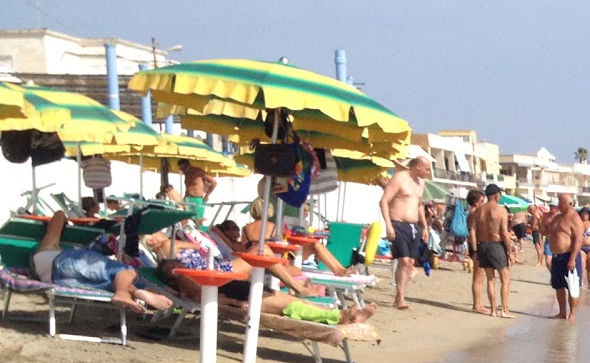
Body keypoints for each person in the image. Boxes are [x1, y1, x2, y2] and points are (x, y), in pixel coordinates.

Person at [156, 259, 376, 326]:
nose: (175, 268)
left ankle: (344, 314)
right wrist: (234, 303)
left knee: (295, 302)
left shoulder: (191, 273)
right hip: (245, 297)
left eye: (175, 264)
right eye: (169, 269)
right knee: (293, 307)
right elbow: (205, 297)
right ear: (168, 277)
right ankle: (340, 317)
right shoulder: (184, 281)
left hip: (246, 289)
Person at [41, 241, 173, 314]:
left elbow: (58, 215)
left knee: (120, 274)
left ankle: (127, 292)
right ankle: (128, 293)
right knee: (124, 272)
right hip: (62, 271)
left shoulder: (44, 248)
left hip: (58, 273)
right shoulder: (48, 247)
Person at [379, 147, 432, 309]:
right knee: (403, 259)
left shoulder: (421, 183)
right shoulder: (399, 178)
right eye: (427, 169)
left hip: (414, 226)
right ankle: (400, 298)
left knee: (410, 262)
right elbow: (383, 201)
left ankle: (400, 296)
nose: (429, 172)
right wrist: (388, 225)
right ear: (418, 166)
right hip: (398, 223)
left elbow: (419, 206)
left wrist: (425, 227)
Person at [470, 184, 515, 318]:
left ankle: (493, 310)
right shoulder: (501, 210)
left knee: (490, 279)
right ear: (496, 195)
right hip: (496, 245)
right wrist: (510, 252)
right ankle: (504, 310)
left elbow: (472, 232)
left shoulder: (478, 210)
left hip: (483, 245)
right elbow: (505, 233)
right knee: (505, 279)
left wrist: (475, 250)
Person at [540, 193, 584, 320]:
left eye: (561, 202)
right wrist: (540, 218)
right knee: (558, 286)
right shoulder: (557, 217)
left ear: (569, 204)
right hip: (556, 257)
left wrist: (572, 258)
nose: (558, 204)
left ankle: (572, 314)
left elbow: (578, 240)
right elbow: (545, 231)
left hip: (569, 256)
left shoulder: (575, 218)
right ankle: (562, 312)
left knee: (572, 287)